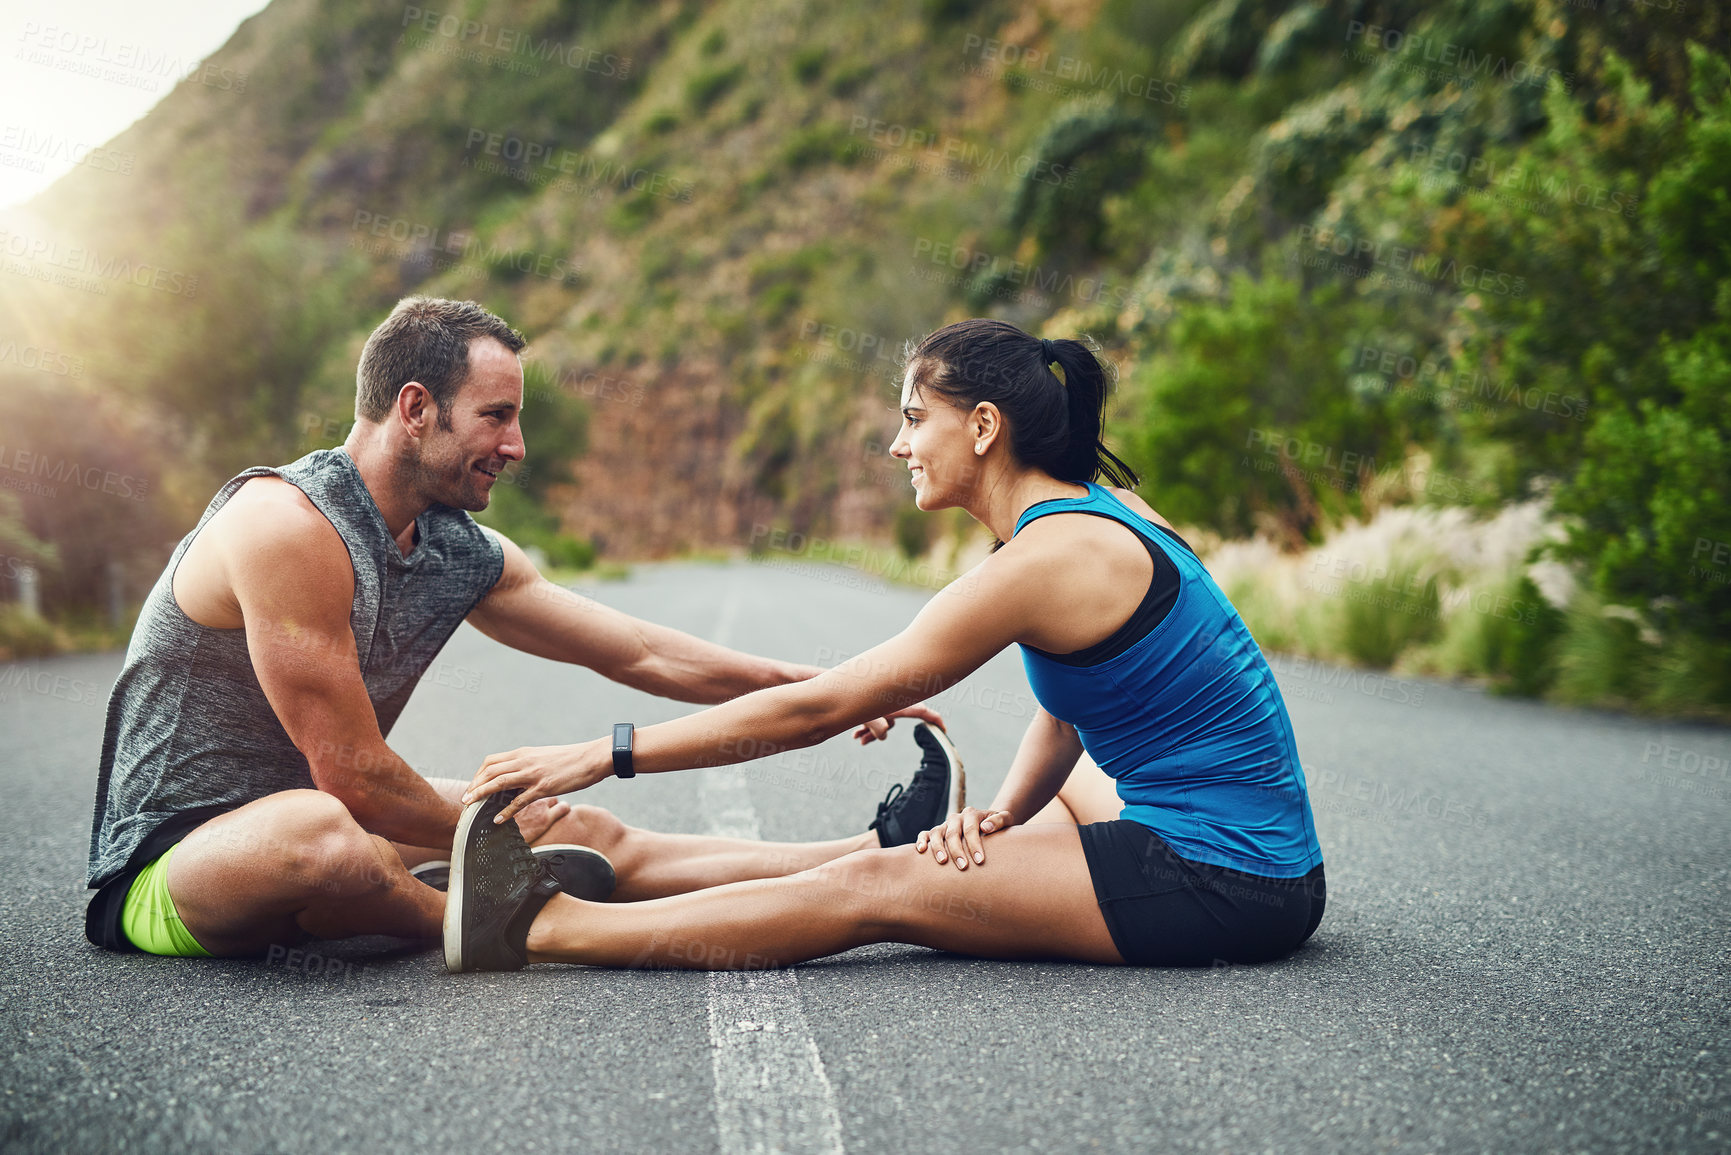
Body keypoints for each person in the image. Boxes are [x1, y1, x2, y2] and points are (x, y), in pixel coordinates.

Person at [448, 318, 1327, 973]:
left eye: (915, 418)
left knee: (879, 891)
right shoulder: (1098, 511)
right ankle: (689, 856)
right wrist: (1005, 816)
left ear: (983, 427)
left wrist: (604, 753)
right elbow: (1069, 715)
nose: (898, 443)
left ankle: (537, 926)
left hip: (1226, 880)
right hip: (1235, 840)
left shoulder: (1047, 554)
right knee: (941, 848)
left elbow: (820, 709)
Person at [83, 296, 945, 960]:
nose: (518, 443)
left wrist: (824, 693)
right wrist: (486, 824)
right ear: (415, 408)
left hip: (334, 820)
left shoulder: (459, 549)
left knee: (583, 830)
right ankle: (535, 924)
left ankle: (874, 854)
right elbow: (349, 776)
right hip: (175, 859)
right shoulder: (286, 525)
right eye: (496, 415)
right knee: (324, 840)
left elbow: (641, 650)